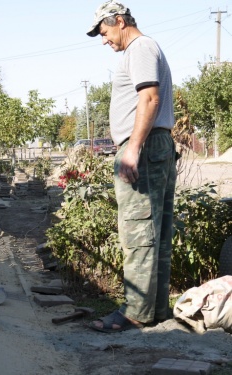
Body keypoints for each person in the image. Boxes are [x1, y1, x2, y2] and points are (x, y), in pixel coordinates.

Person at [86, 1, 176, 332]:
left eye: (105, 32)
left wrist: (132, 148)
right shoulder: (145, 48)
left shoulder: (139, 48)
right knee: (157, 232)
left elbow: (149, 98)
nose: (104, 40)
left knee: (138, 231)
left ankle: (136, 311)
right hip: (157, 145)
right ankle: (155, 310)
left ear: (120, 21)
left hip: (145, 146)